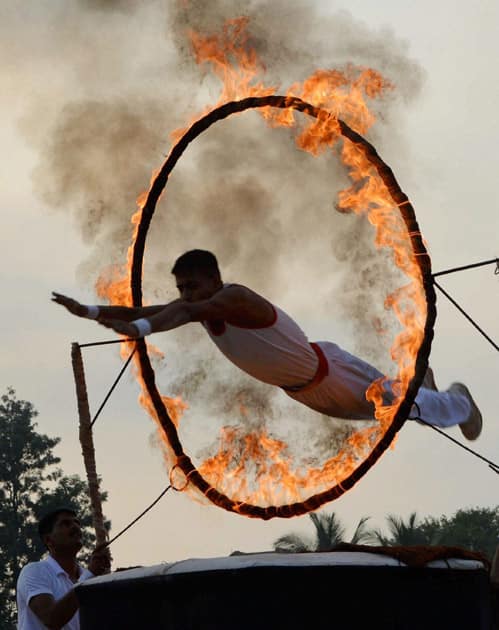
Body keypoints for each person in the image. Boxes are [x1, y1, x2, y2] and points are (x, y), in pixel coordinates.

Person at [52, 249, 482, 440]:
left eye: (193, 285)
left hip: (329, 368)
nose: (187, 294)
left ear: (214, 281)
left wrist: (143, 331)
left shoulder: (232, 298)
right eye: (181, 287)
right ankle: (421, 383)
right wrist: (90, 312)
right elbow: (150, 310)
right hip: (307, 392)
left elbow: (174, 314)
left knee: (402, 408)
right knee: (394, 414)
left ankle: (458, 401)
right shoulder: (195, 306)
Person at [16, 507, 111, 630]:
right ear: (48, 540)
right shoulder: (34, 571)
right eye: (65, 523)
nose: (76, 527)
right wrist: (90, 575)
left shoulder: (88, 576)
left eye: (77, 523)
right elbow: (51, 619)